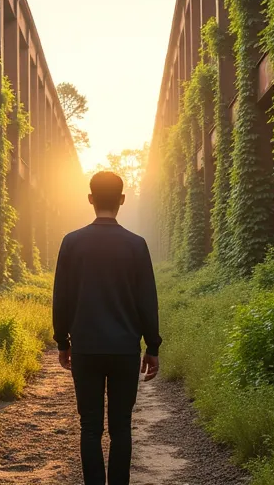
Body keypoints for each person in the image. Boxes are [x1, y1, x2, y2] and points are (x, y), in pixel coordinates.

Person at [52, 171, 161, 485]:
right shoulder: (136, 245)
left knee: (90, 427)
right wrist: (152, 347)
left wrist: (62, 342)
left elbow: (62, 297)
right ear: (122, 200)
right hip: (125, 350)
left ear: (90, 199)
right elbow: (147, 301)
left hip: (85, 347)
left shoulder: (72, 243)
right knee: (121, 426)